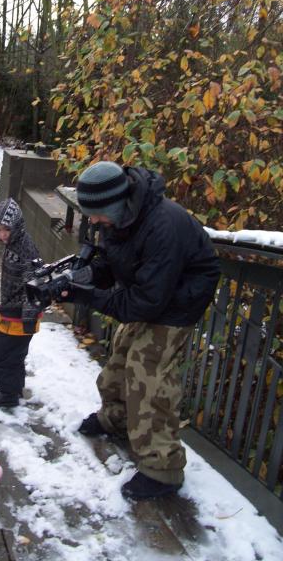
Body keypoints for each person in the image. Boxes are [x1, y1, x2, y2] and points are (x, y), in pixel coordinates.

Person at [60, 161, 220, 499]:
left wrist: (86, 296)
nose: (92, 221)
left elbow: (145, 303)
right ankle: (116, 419)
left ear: (113, 205)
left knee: (148, 371)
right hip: (153, 291)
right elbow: (114, 260)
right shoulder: (123, 216)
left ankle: (163, 470)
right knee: (122, 351)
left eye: (96, 214)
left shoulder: (162, 226)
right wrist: (84, 277)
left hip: (179, 300)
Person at [0, 197, 42, 408]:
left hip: (18, 315)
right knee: (11, 353)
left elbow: (34, 284)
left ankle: (7, 394)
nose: (2, 234)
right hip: (10, 310)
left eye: (6, 229)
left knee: (7, 354)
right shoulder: (14, 243)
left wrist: (28, 316)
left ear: (16, 225)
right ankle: (10, 387)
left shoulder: (25, 249)